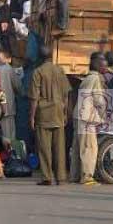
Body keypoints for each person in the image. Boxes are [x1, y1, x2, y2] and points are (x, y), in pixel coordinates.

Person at [28, 46, 71, 185]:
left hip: (43, 113)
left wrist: (32, 117)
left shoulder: (38, 72)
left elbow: (34, 98)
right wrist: (65, 113)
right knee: (59, 147)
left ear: (40, 58)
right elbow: (66, 95)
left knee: (44, 147)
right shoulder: (60, 70)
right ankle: (61, 177)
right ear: (51, 56)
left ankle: (47, 177)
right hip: (58, 111)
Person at [71, 52, 106, 185]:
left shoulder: (87, 77)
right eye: (103, 63)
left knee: (77, 146)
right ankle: (87, 177)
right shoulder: (96, 78)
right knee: (89, 147)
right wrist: (104, 114)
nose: (105, 66)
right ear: (97, 64)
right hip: (87, 117)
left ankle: (75, 175)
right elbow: (98, 99)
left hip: (79, 115)